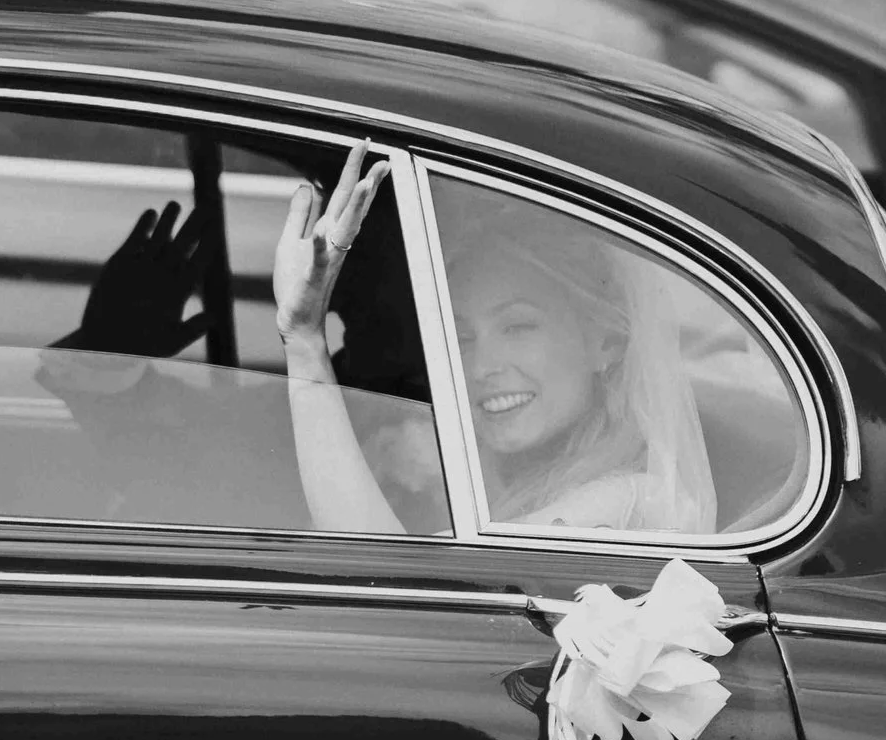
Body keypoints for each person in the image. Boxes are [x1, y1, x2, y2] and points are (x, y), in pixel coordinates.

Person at [273, 142, 716, 536]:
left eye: (517, 327)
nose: (482, 366)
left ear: (605, 343)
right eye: (462, 337)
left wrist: (306, 343)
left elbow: (386, 574)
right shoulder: (471, 464)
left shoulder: (625, 504)